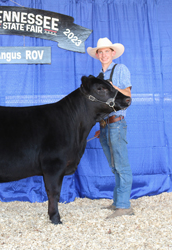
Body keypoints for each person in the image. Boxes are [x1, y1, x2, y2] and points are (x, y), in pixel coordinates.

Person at [87, 37, 133, 219]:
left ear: (113, 53)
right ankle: (117, 202)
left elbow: (128, 95)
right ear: (97, 55)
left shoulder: (120, 69)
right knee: (114, 165)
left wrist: (111, 87)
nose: (104, 54)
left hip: (117, 123)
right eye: (101, 52)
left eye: (107, 51)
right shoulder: (98, 76)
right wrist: (101, 125)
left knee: (121, 165)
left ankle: (124, 206)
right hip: (105, 125)